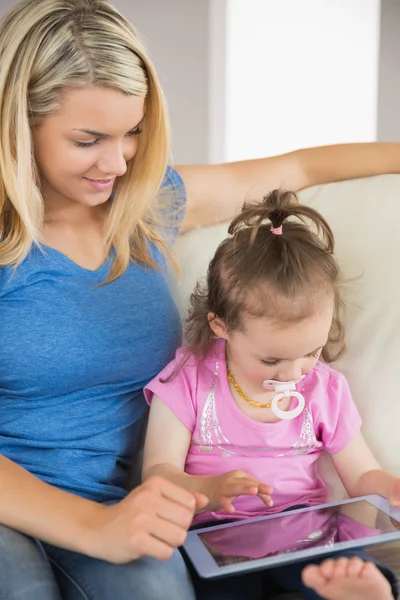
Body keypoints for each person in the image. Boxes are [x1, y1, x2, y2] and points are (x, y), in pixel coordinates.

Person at [1, 0, 400, 598]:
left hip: (127, 506)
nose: (117, 162)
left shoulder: (147, 202)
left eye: (132, 132)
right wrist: (95, 527)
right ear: (16, 126)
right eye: (88, 139)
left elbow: (300, 166)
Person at [143, 190, 400, 600]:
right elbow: (157, 474)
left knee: (339, 571)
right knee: (216, 589)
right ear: (221, 327)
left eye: (310, 353)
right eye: (272, 360)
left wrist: (391, 488)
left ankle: (367, 590)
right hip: (213, 540)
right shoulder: (187, 380)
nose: (294, 373)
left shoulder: (324, 387)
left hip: (307, 530)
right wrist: (207, 490)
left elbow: (362, 475)